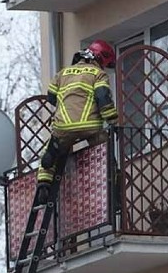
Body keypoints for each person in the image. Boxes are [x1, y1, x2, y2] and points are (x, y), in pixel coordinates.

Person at [35, 39, 119, 204]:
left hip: (63, 126)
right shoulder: (97, 74)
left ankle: (44, 183)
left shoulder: (62, 73)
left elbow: (51, 97)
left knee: (50, 149)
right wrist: (113, 120)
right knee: (105, 152)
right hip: (90, 126)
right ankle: (113, 189)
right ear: (101, 58)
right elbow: (103, 98)